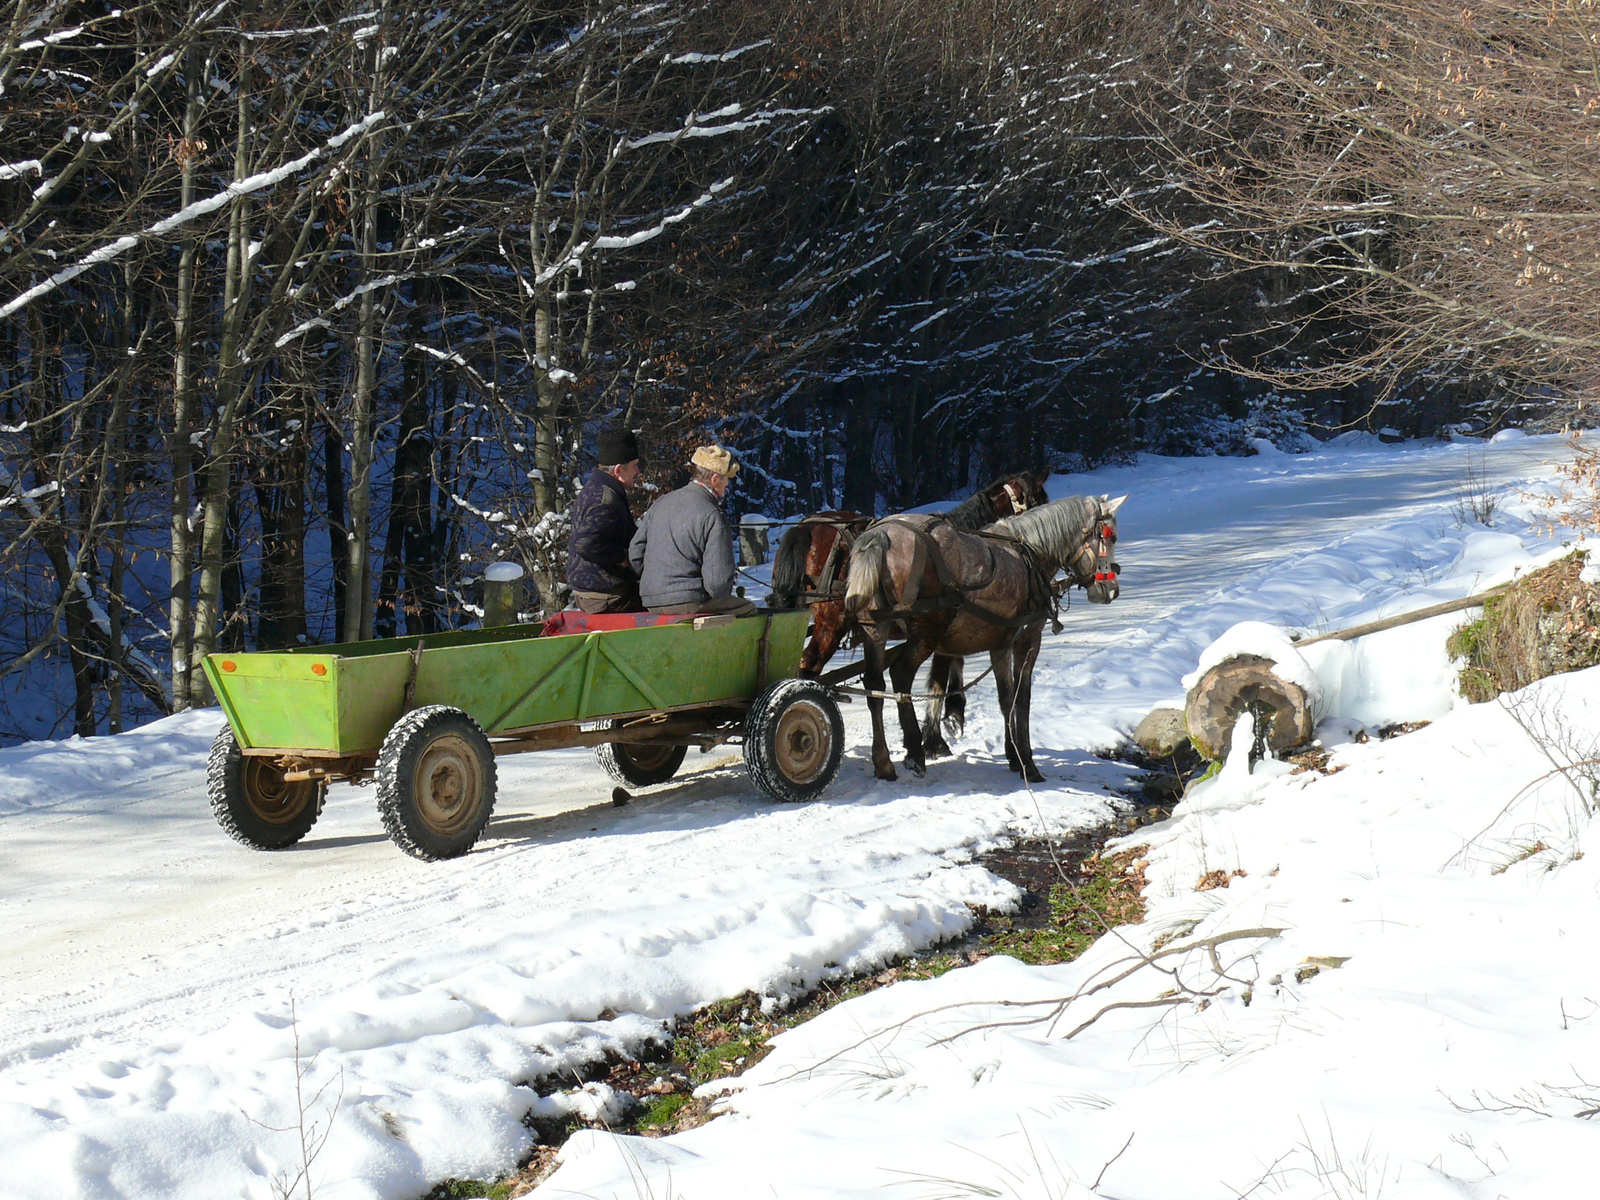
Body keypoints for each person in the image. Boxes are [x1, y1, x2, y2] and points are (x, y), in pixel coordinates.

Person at [628, 444, 757, 617]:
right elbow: (717, 584)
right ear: (714, 479)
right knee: (748, 609)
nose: (726, 487)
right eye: (725, 482)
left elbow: (635, 554)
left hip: (650, 600)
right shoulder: (712, 515)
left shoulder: (661, 503)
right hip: (689, 600)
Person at [566, 427, 644, 613]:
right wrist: (622, 557)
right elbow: (585, 543)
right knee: (664, 603)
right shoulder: (605, 501)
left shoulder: (596, 487)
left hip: (594, 592)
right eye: (634, 465)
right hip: (605, 597)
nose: (638, 471)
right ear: (618, 470)